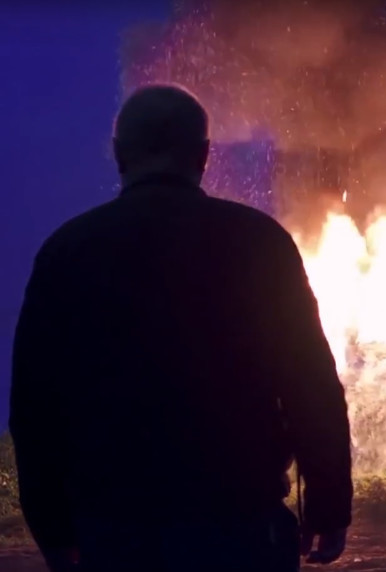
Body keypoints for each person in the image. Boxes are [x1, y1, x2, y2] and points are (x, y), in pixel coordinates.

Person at [9, 84, 352, 572]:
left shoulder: (68, 251)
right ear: (203, 155)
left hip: (115, 528)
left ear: (118, 153)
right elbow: (311, 384)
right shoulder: (260, 243)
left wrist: (53, 531)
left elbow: (34, 405)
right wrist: (328, 506)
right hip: (241, 523)